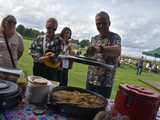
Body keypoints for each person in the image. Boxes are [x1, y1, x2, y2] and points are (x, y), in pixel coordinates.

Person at [86, 11, 121, 98]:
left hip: (105, 83)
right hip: (90, 79)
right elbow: (91, 56)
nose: (101, 26)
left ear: (109, 23)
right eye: (98, 24)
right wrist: (88, 53)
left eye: (104, 23)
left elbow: (117, 51)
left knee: (100, 108)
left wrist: (100, 49)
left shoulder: (115, 37)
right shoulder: (94, 38)